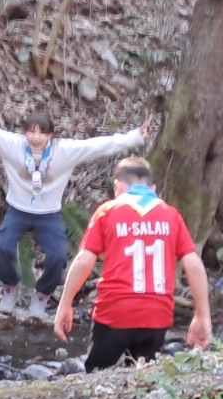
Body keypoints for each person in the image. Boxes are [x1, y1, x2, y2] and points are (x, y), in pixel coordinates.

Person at [0, 93, 148, 320]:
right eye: (31, 131)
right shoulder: (12, 145)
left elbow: (99, 145)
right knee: (3, 248)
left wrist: (135, 136)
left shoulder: (64, 151)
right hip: (17, 210)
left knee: (58, 256)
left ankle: (42, 296)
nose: (35, 137)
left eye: (41, 132)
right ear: (24, 133)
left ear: (50, 135)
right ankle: (9, 287)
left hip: (49, 214)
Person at [52, 157, 212, 368]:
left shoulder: (108, 211)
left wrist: (65, 304)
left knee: (97, 374)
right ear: (152, 188)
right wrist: (202, 315)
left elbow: (84, 260)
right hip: (157, 315)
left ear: (117, 186)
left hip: (115, 313)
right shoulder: (171, 215)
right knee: (142, 375)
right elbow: (193, 263)